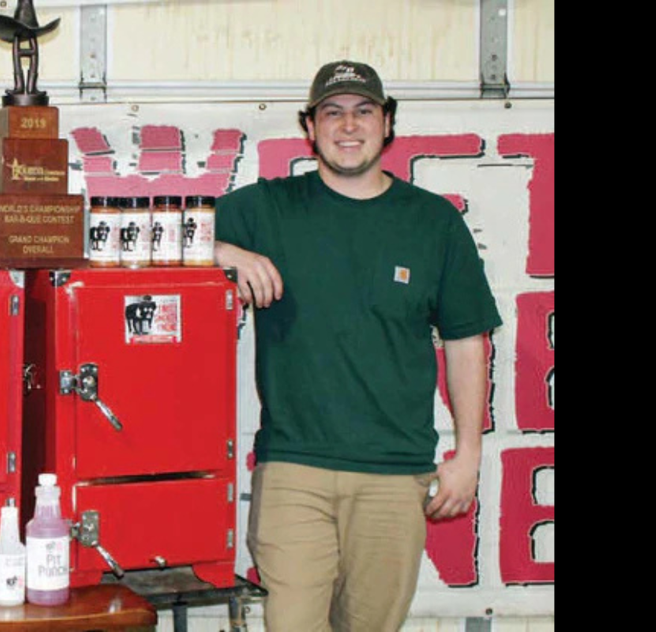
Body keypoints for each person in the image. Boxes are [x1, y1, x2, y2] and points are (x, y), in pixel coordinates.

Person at [215, 60, 502, 631]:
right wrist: (226, 252)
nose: (349, 126)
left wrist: (469, 454)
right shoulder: (265, 208)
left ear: (387, 122)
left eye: (363, 111)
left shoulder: (433, 223)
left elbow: (468, 340)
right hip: (293, 469)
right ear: (310, 127)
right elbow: (163, 237)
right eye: (333, 113)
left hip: (395, 476)